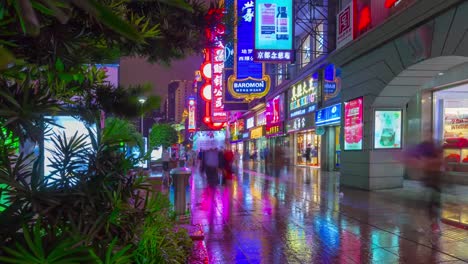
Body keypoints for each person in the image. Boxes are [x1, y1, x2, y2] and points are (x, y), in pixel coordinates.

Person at [403, 139, 444, 233]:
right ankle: (428, 224)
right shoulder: (430, 158)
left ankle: (432, 225)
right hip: (429, 184)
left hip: (434, 184)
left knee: (433, 205)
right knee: (427, 205)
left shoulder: (432, 158)